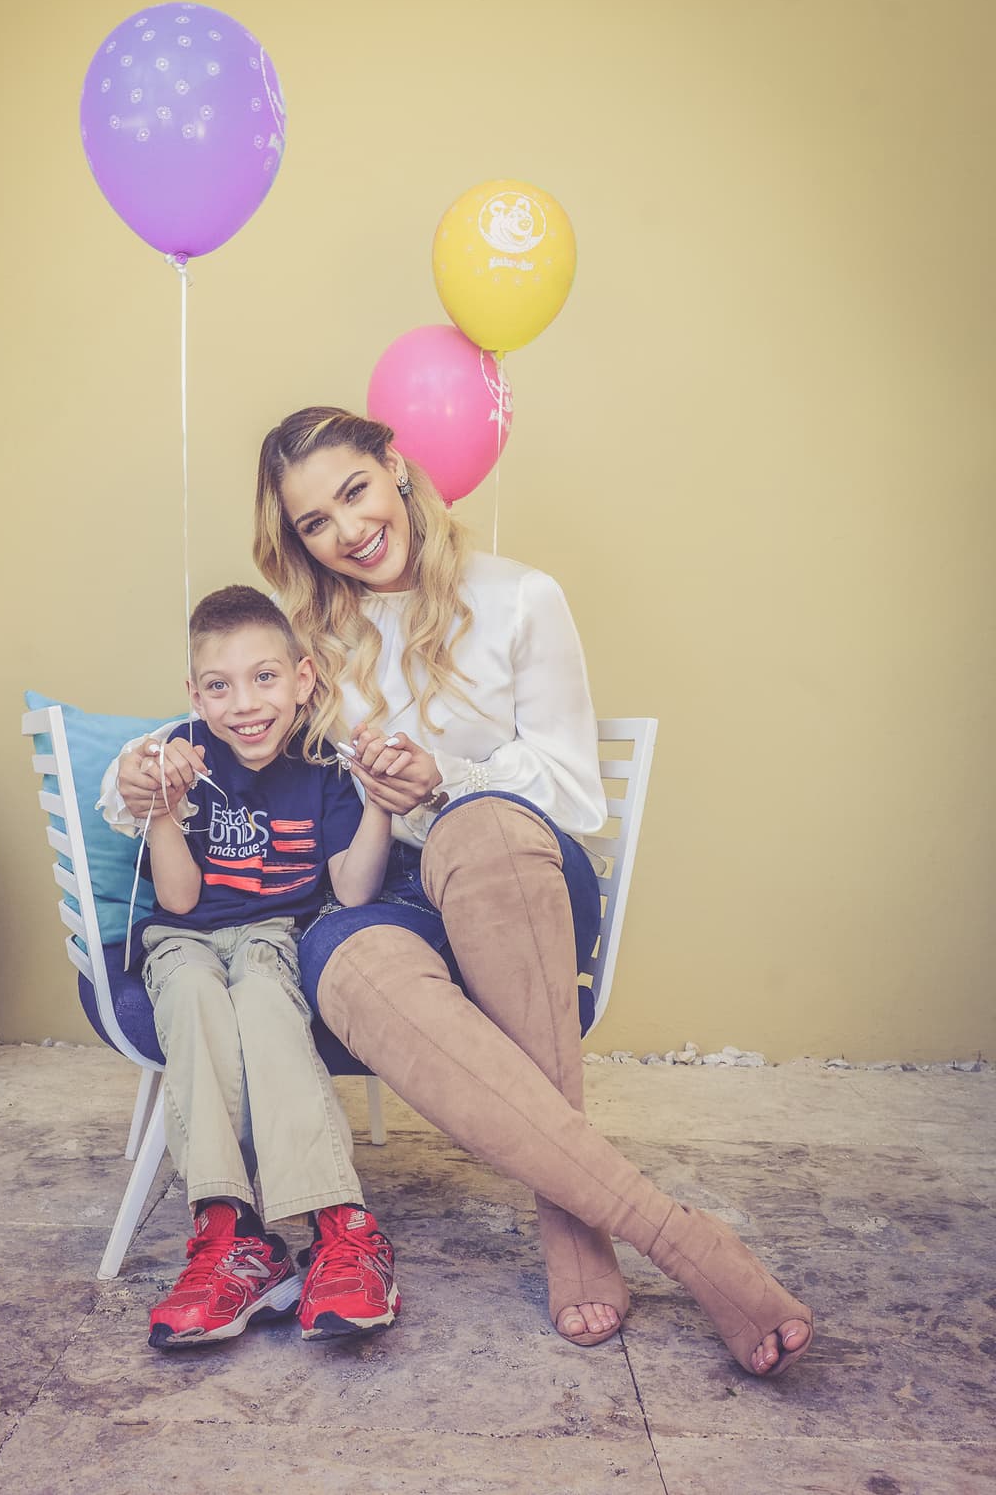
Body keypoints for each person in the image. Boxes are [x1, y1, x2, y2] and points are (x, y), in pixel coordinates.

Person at [118, 407, 813, 1378]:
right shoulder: (310, 637)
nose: (346, 529)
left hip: (512, 868)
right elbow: (238, 745)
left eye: (353, 490)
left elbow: (573, 786)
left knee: (477, 830)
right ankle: (680, 1235)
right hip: (386, 886)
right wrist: (148, 783)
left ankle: (575, 1232)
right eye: (313, 521)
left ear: (393, 469)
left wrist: (443, 777)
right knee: (344, 958)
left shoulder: (521, 596)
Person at [99, 584, 400, 1349]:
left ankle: (342, 1225)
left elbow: (354, 888)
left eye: (265, 678)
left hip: (272, 936)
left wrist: (379, 802)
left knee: (266, 1001)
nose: (244, 704)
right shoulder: (179, 755)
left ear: (303, 678)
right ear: (194, 695)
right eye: (219, 686)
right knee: (196, 994)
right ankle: (233, 1236)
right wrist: (162, 808)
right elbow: (177, 895)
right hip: (184, 939)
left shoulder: (325, 765)